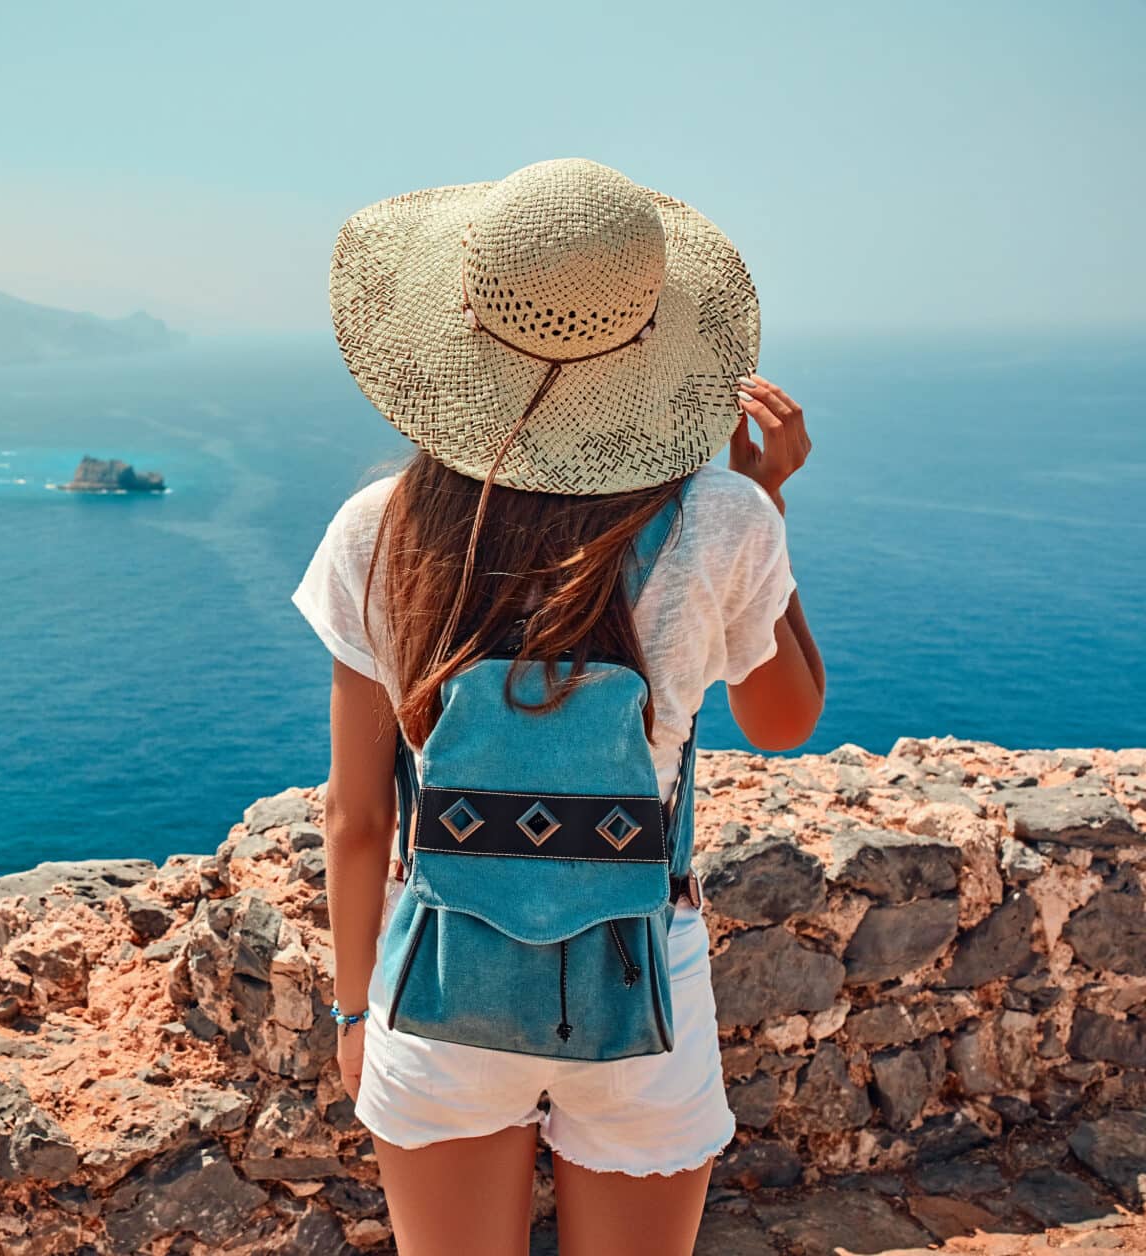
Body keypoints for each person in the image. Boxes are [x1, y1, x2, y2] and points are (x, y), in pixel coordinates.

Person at [293, 158, 826, 1255]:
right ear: (652, 342)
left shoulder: (377, 528)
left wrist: (355, 1016)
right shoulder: (721, 518)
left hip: (433, 977)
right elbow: (783, 720)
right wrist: (764, 505)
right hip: (642, 989)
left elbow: (354, 815)